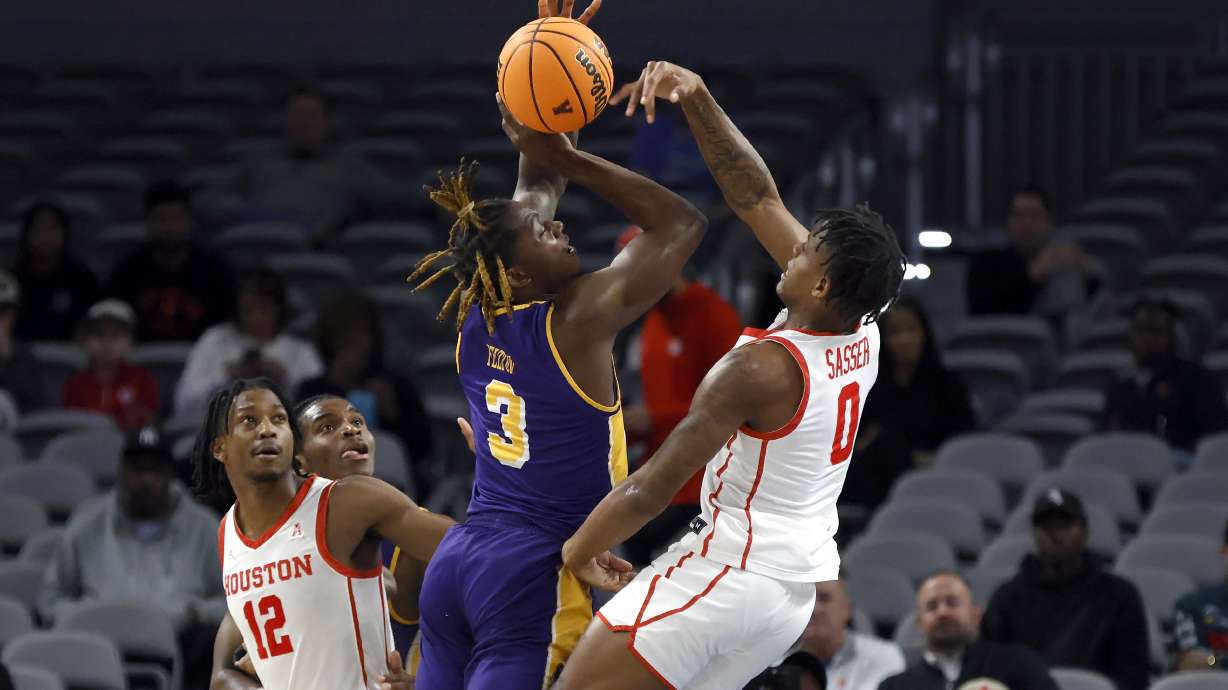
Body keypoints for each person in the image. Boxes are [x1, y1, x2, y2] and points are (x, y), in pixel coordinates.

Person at [556, 61, 905, 690]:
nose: (791, 247)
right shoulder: (864, 327)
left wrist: (576, 552)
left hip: (725, 573)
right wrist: (698, 98)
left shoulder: (757, 369)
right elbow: (756, 198)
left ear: (822, 283)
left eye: (805, 251)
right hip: (788, 598)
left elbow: (653, 487)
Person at [412, 5, 707, 686]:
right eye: (546, 236)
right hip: (531, 574)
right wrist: (570, 153)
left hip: (461, 561)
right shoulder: (575, 319)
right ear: (518, 271)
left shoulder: (481, 313)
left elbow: (535, 189)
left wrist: (538, 113)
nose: (560, 229)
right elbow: (680, 227)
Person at [196, 378, 453, 689]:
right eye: (327, 427)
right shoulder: (235, 534)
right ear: (298, 458)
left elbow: (491, 570)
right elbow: (223, 673)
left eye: (358, 421)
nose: (351, 430)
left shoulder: (378, 514)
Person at [39, 426, 226, 689]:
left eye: (155, 470)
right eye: (138, 469)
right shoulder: (86, 525)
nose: (146, 480)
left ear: (170, 474)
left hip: (181, 643)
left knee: (216, 644)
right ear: (122, 472)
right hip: (99, 643)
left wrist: (197, 613)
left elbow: (233, 601)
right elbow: (50, 600)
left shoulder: (205, 527)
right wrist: (84, 615)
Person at [616, 225, 743, 566]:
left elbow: (732, 405)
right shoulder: (653, 321)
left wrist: (654, 416)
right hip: (660, 471)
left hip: (704, 478)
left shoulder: (715, 316)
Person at [981, 488, 1149, 690]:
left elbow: (1134, 676)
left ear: (1085, 532)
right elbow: (990, 672)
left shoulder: (1119, 595)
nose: (1054, 534)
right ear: (1034, 535)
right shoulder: (1007, 598)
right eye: (1045, 527)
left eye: (1064, 526)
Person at [841, 298, 976, 510]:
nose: (904, 340)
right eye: (895, 332)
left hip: (932, 478)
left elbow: (964, 440)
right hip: (874, 477)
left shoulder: (948, 384)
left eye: (911, 329)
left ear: (925, 333)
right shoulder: (869, 386)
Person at [297, 292, 434, 496]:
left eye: (360, 337)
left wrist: (392, 414)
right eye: (344, 339)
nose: (354, 348)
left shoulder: (396, 386)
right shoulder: (311, 391)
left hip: (391, 491)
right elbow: (301, 449)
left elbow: (422, 450)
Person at [229, 87, 405, 245]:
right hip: (256, 247)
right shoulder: (259, 164)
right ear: (285, 121)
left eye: (310, 115)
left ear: (326, 123)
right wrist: (244, 213)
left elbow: (393, 195)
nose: (303, 122)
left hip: (314, 254)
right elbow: (212, 196)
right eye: (296, 115)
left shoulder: (349, 168)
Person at [174, 268, 322, 421]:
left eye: (264, 309)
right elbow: (184, 404)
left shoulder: (301, 351)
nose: (257, 318)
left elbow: (318, 411)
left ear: (279, 308)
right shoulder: (215, 340)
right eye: (249, 310)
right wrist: (228, 376)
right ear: (237, 309)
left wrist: (286, 379)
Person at [879, 573, 1058, 690]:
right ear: (919, 623)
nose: (943, 612)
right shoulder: (895, 686)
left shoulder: (1020, 664)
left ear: (976, 614)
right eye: (932, 606)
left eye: (953, 602)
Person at [107, 181, 236, 342]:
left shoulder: (217, 272)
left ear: (189, 221)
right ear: (148, 223)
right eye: (161, 218)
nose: (170, 226)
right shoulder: (126, 273)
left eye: (177, 217)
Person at [1104, 298, 1227, 454]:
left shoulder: (1199, 381)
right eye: (1139, 330)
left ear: (1172, 335)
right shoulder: (1120, 384)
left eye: (1155, 330)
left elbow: (1214, 436)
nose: (1145, 338)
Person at [747, 575, 904, 690]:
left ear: (847, 610)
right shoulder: (776, 665)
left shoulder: (883, 657)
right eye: (806, 600)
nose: (814, 609)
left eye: (824, 598)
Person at [966, 187, 1098, 318]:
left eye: (1035, 216)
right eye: (1019, 216)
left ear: (1049, 222)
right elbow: (983, 310)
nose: (1027, 225)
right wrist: (1035, 271)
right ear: (1008, 222)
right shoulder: (986, 264)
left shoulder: (1064, 263)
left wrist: (1088, 272)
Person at [10, 201, 101, 340]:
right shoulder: (12, 280)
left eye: (52, 229)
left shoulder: (81, 278)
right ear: (27, 234)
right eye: (38, 229)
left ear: (64, 233)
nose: (45, 237)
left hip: (73, 356)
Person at [63, 299, 159, 430]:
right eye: (99, 334)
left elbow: (148, 427)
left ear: (130, 343)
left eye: (116, 336)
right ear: (84, 341)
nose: (107, 343)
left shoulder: (142, 380)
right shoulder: (75, 383)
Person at [1172, 518, 1228, 672]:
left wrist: (1213, 660)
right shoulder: (1190, 605)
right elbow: (1190, 662)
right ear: (1224, 551)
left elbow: (1206, 660)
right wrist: (1213, 660)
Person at [0, 270, 45, 411]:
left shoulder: (24, 357)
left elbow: (35, 414)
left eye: (3, 313)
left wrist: (4, 363)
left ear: (13, 316)